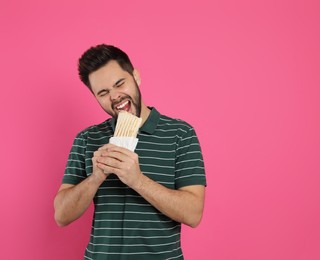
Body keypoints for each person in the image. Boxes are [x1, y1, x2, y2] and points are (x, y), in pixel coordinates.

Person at [54, 44, 207, 260]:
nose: (115, 96)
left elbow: (193, 214)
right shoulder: (87, 139)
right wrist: (96, 177)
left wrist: (137, 180)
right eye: (103, 92)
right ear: (95, 97)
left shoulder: (181, 134)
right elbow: (61, 215)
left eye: (120, 83)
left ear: (135, 76)